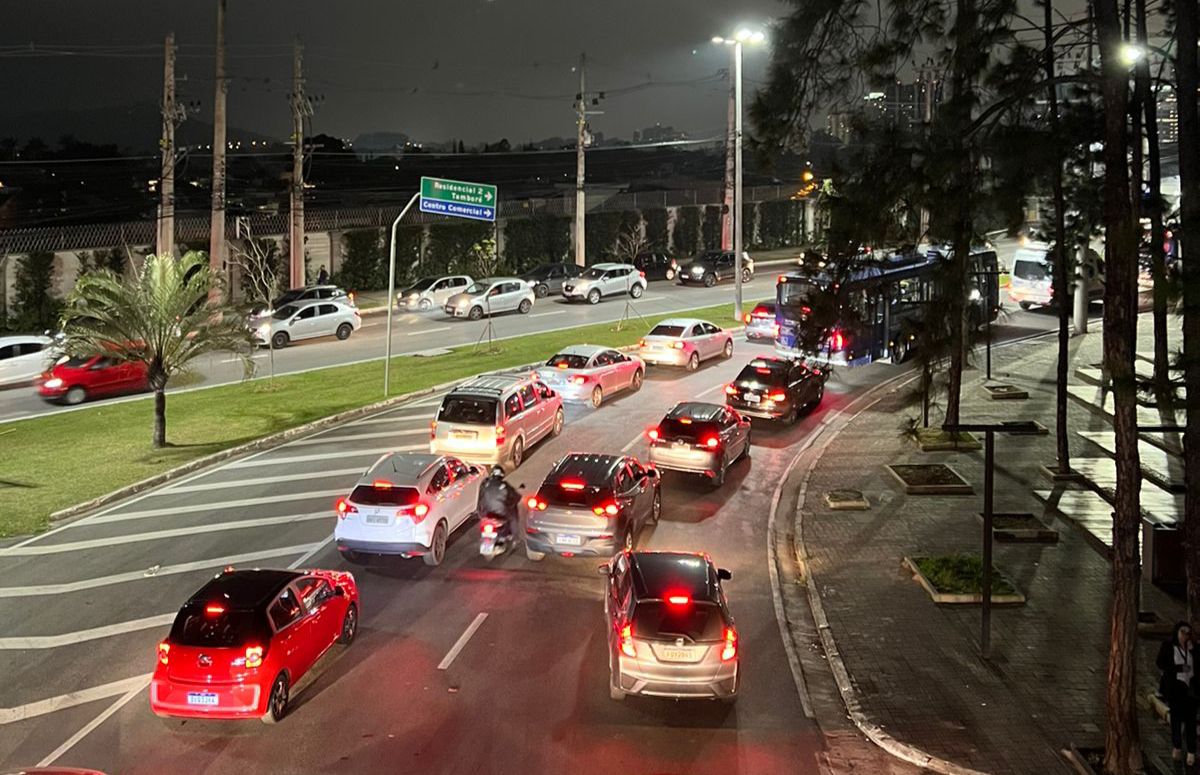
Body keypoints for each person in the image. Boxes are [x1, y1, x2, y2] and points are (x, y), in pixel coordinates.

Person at [1157, 621, 1197, 764]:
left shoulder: (1193, 649)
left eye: (1188, 633)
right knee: (1176, 719)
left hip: (1191, 689)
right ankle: (1177, 746)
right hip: (1175, 687)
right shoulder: (1169, 647)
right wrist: (1179, 668)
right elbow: (1161, 663)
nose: (1185, 636)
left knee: (1191, 720)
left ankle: (1192, 751)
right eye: (1182, 632)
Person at [477, 465, 520, 545]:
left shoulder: (485, 484)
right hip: (501, 513)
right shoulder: (504, 486)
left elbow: (480, 497)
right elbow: (515, 497)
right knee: (513, 516)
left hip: (484, 512)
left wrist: (480, 512)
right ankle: (515, 538)